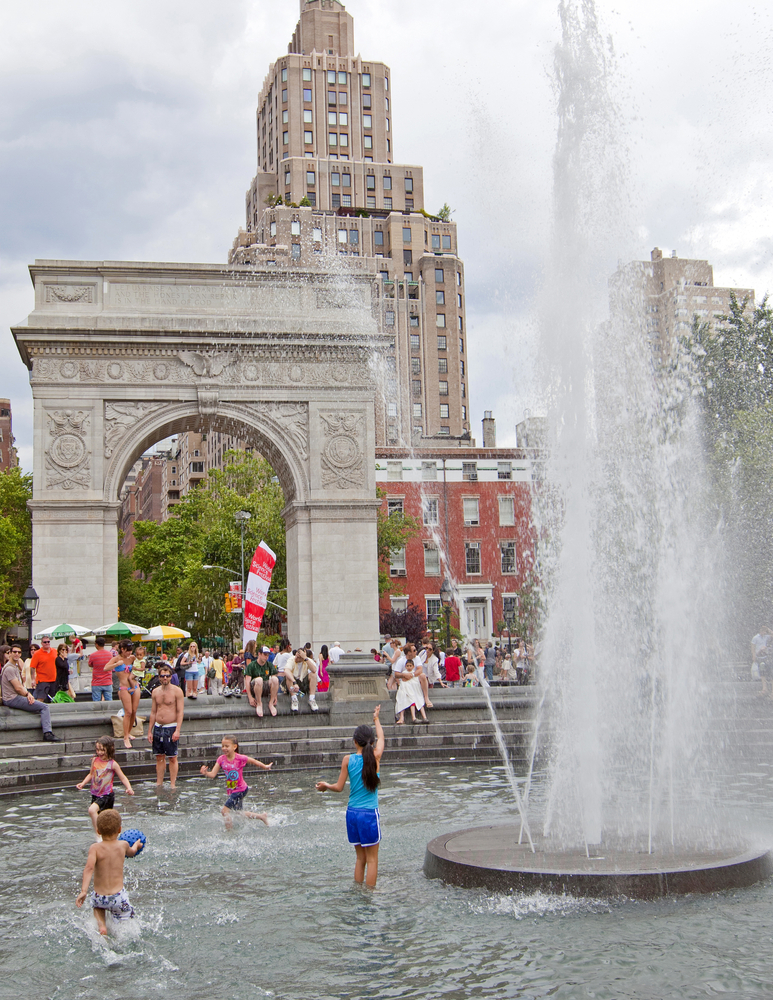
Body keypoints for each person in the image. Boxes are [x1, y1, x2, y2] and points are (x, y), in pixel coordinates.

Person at [315, 706, 385, 887]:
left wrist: (325, 786)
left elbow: (338, 788)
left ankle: (358, 892)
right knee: (372, 860)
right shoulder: (375, 757)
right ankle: (369, 896)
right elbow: (382, 739)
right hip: (369, 814)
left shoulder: (348, 759)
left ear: (355, 742)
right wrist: (376, 719)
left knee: (360, 858)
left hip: (352, 814)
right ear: (371, 742)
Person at [76, 808, 143, 936]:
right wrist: (137, 845)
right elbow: (132, 853)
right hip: (118, 897)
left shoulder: (95, 848)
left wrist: (83, 891)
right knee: (126, 923)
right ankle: (122, 936)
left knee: (98, 908)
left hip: (99, 896)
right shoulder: (123, 845)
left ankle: (102, 926)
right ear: (119, 829)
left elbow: (89, 868)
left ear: (98, 831)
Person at [199, 735, 272, 829]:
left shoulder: (240, 758)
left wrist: (265, 766)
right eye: (223, 746)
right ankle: (262, 817)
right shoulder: (221, 759)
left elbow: (254, 761)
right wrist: (205, 773)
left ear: (234, 747)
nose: (224, 748)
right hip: (232, 790)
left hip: (241, 789)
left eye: (227, 746)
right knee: (238, 813)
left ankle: (229, 834)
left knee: (224, 811)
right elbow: (213, 774)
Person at [76, 736, 135, 835]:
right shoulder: (95, 760)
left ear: (110, 749)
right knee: (102, 819)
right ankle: (109, 835)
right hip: (95, 795)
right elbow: (91, 774)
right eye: (97, 750)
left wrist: (129, 788)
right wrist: (83, 783)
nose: (99, 752)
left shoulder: (112, 764)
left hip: (107, 795)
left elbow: (123, 777)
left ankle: (98, 834)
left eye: (102, 750)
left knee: (92, 810)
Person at [1, 644, 61, 741]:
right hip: (12, 698)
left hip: (12, 697)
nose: (17, 654)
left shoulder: (13, 666)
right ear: (10, 653)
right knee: (44, 707)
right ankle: (47, 733)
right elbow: (18, 688)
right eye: (14, 652)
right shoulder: (9, 668)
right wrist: (28, 694)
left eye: (19, 652)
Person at [147, 665, 184, 788]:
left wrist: (177, 730)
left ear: (171, 677)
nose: (165, 678)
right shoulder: (155, 691)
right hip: (158, 727)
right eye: (162, 676)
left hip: (171, 726)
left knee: (172, 757)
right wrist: (149, 731)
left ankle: (173, 783)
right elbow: (153, 712)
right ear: (159, 677)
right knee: (159, 756)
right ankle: (159, 782)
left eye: (167, 676)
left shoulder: (177, 691)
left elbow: (180, 712)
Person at [105, 640, 141, 749]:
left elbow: (139, 666)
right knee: (128, 711)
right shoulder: (116, 658)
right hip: (124, 687)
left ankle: (129, 732)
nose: (129, 653)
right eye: (128, 651)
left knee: (134, 710)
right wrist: (116, 664)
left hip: (134, 685)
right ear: (122, 649)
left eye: (131, 651)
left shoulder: (132, 658)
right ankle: (125, 736)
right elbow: (105, 668)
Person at [393, 644, 428, 724]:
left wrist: (411, 675)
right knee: (402, 694)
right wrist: (404, 675)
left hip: (415, 681)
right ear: (409, 652)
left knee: (423, 676)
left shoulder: (417, 658)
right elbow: (396, 674)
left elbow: (420, 670)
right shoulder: (401, 660)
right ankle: (403, 717)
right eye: (414, 650)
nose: (416, 652)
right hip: (405, 683)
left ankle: (426, 697)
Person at [245, 644, 280, 717]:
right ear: (259, 654)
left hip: (265, 687)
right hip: (255, 687)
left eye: (267, 655)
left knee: (275, 679)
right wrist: (250, 697)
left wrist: (275, 695)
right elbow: (247, 681)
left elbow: (275, 680)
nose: (266, 657)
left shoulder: (269, 665)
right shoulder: (252, 665)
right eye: (264, 655)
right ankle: (259, 703)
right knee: (259, 680)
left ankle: (271, 703)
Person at [283, 647, 319, 713]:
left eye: (299, 657)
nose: (296, 658)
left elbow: (314, 670)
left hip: (302, 685)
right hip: (292, 686)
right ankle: (294, 699)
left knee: (313, 675)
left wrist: (306, 658)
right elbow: (286, 670)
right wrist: (294, 682)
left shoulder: (307, 660)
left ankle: (312, 699)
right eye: (296, 656)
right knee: (289, 676)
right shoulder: (291, 659)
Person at [30, 635, 58, 702]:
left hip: (54, 679)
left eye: (48, 642)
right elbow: (32, 667)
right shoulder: (37, 654)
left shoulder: (55, 651)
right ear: (42, 643)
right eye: (45, 642)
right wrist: (33, 679)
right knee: (41, 698)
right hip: (42, 680)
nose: (47, 643)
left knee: (54, 698)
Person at [88, 636, 114, 702]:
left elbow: (90, 664)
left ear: (96, 644)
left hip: (96, 682)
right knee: (109, 702)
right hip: (107, 682)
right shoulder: (110, 654)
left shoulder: (93, 655)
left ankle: (97, 713)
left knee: (96, 703)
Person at [752, 627, 773, 697]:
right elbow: (753, 646)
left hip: (766, 657)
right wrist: (754, 655)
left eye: (765, 632)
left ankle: (767, 690)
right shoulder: (756, 638)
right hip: (760, 657)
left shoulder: (766, 637)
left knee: (769, 673)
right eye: (763, 632)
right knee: (762, 673)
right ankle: (765, 689)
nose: (764, 633)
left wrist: (768, 630)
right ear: (761, 631)